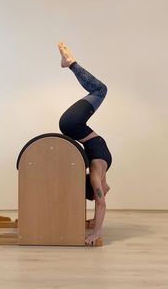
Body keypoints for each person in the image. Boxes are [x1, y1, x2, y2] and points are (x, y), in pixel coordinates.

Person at [58, 42, 112, 246]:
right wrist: (93, 225)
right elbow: (104, 191)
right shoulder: (99, 171)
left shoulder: (98, 172)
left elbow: (101, 202)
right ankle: (69, 63)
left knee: (100, 89)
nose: (104, 189)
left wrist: (96, 233)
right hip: (75, 126)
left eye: (99, 187)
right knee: (100, 89)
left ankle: (70, 63)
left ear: (93, 185)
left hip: (72, 125)